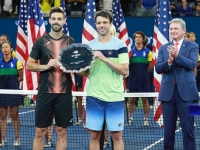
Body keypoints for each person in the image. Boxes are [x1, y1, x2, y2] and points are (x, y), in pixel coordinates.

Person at [26, 7, 75, 150]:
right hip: (45, 93)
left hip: (64, 94)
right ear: (49, 20)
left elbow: (76, 66)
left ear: (64, 21)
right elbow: (29, 65)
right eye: (53, 18)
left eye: (59, 19)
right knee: (40, 132)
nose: (56, 21)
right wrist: (46, 66)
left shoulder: (70, 41)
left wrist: (70, 67)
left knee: (62, 132)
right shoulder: (41, 41)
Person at [82, 10, 129, 150]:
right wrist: (76, 68)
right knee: (94, 135)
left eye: (104, 22)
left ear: (110, 24)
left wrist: (103, 58)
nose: (102, 25)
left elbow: (124, 70)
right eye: (99, 23)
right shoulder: (89, 46)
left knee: (116, 136)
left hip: (114, 97)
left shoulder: (120, 45)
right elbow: (86, 73)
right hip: (94, 96)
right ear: (95, 25)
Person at [155, 18, 199, 150]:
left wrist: (177, 56)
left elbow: (191, 65)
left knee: (189, 130)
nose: (172, 31)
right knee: (168, 132)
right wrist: (168, 62)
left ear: (183, 31)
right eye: (171, 29)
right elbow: (158, 68)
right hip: (167, 95)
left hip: (189, 95)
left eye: (176, 29)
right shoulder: (163, 48)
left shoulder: (193, 46)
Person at [127, 31, 153, 126]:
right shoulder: (130, 52)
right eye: (136, 37)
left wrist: (144, 72)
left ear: (143, 39)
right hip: (132, 80)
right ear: (134, 39)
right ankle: (130, 118)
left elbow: (151, 65)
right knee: (132, 100)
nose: (138, 38)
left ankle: (146, 119)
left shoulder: (148, 52)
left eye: (139, 37)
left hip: (144, 80)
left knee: (145, 99)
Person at [0, 41, 23, 147]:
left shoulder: (17, 62)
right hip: (2, 92)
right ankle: (3, 139)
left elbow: (21, 77)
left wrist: (12, 84)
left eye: (6, 47)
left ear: (11, 49)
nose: (4, 49)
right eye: (3, 47)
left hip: (13, 92)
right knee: (2, 116)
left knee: (14, 115)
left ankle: (17, 138)